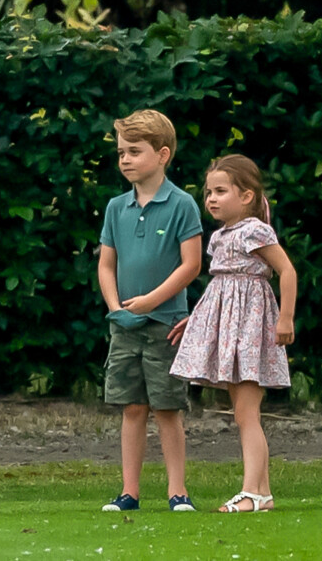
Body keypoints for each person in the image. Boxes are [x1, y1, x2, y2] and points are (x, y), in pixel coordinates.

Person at [169, 154, 297, 513]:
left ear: (246, 195)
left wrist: (285, 318)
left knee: (246, 414)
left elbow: (287, 271)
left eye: (220, 191)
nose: (210, 198)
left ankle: (252, 492)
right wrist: (195, 320)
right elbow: (220, 291)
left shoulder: (256, 231)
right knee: (243, 412)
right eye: (208, 191)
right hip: (229, 329)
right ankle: (263, 493)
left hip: (250, 329)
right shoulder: (221, 236)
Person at [98, 109, 203, 512]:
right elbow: (107, 264)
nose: (124, 159)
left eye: (134, 151)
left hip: (167, 324)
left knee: (167, 408)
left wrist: (151, 302)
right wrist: (115, 308)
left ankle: (178, 492)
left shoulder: (182, 204)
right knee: (132, 407)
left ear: (162, 154)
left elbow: (190, 265)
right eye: (121, 152)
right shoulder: (114, 207)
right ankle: (130, 493)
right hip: (123, 327)